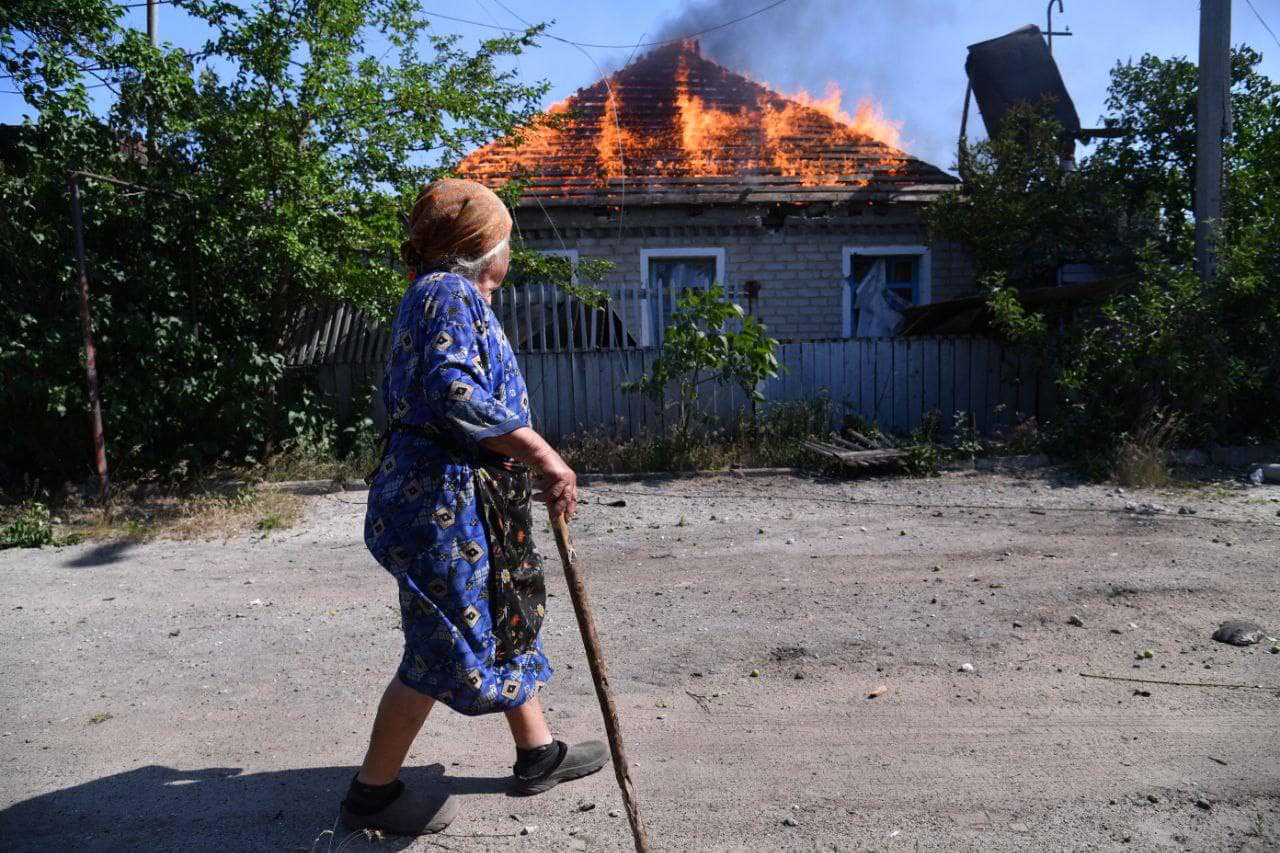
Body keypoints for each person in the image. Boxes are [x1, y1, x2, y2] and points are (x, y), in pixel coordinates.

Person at [341, 179, 607, 836]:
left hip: (457, 491)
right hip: (438, 498)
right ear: (481, 245)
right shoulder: (447, 291)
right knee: (443, 643)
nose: (509, 251)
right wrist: (544, 455)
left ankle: (537, 751)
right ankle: (371, 795)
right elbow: (455, 392)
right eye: (505, 237)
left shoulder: (448, 294)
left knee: (498, 609)